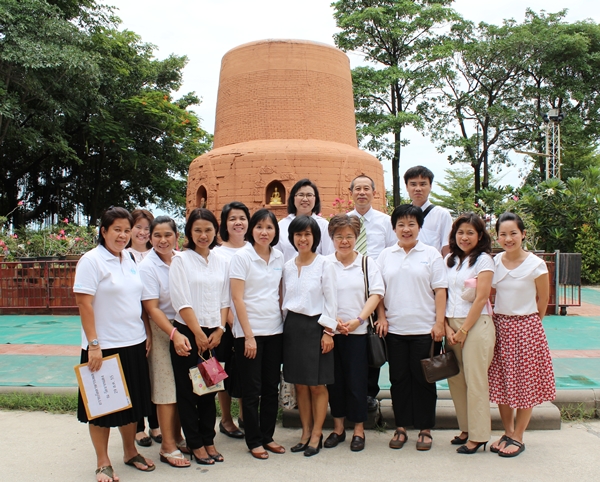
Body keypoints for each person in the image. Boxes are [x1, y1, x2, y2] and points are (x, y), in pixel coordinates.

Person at [73, 206, 154, 482]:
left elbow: (136, 300)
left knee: (131, 404)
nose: (122, 235)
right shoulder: (91, 261)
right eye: (117, 229)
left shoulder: (128, 257)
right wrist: (94, 345)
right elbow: (84, 304)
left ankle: (130, 452)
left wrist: (146, 333)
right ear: (104, 231)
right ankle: (103, 461)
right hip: (104, 346)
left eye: (126, 230)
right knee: (103, 407)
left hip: (134, 342)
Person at [377, 204, 447, 451]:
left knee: (424, 380)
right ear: (394, 228)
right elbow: (378, 291)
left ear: (419, 227)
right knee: (398, 380)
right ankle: (401, 427)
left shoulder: (431, 254)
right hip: (394, 330)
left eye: (411, 224)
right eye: (401, 225)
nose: (406, 229)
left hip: (425, 330)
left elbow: (440, 290)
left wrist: (439, 323)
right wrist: (382, 317)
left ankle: (425, 429)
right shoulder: (386, 255)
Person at [488, 212, 555, 458]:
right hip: (500, 326)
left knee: (526, 384)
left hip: (527, 328)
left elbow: (543, 300)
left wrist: (531, 326)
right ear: (497, 237)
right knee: (503, 383)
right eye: (503, 234)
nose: (508, 239)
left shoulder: (535, 264)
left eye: (513, 233)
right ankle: (507, 432)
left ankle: (518, 436)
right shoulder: (494, 262)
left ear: (523, 234)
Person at [169, 208, 229, 465]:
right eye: (198, 230)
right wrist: (197, 334)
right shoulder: (180, 261)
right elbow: (181, 301)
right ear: (189, 233)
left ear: (216, 231)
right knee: (188, 392)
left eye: (208, 230)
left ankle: (209, 439)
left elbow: (225, 299)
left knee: (209, 390)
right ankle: (195, 443)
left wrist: (220, 330)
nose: (203, 235)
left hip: (214, 335)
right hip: (188, 334)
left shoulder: (221, 261)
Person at [323, 214, 384, 452]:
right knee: (334, 382)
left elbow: (376, 293)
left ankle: (359, 429)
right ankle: (338, 428)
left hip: (358, 334)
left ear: (356, 237)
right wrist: (333, 322)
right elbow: (319, 295)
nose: (344, 241)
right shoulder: (325, 263)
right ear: (332, 238)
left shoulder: (367, 263)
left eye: (349, 236)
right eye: (339, 236)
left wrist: (359, 320)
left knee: (357, 382)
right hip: (331, 332)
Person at [230, 209, 286, 460]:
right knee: (252, 390)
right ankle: (253, 440)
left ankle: (267, 436)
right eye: (260, 227)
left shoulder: (279, 256)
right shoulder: (242, 257)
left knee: (271, 387)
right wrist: (249, 336)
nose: (264, 232)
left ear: (275, 232)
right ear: (252, 230)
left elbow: (279, 294)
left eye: (269, 227)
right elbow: (237, 299)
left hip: (275, 330)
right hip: (249, 333)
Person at [282, 215, 337, 457]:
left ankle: (317, 433)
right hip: (293, 327)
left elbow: (331, 300)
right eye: (298, 234)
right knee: (300, 385)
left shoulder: (325, 264)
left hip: (317, 327)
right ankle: (305, 432)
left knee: (317, 384)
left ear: (315, 238)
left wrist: (328, 332)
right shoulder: (287, 266)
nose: (302, 239)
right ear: (292, 237)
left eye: (307, 234)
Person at [139, 216, 191, 468]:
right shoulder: (147, 266)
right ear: (150, 238)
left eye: (168, 235)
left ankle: (178, 437)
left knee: (181, 385)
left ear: (176, 237)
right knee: (165, 388)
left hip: (184, 325)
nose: (162, 240)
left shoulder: (181, 260)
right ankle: (167, 446)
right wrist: (173, 334)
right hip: (162, 329)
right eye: (157, 235)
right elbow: (152, 308)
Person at [444, 213, 496, 454]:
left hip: (475, 324)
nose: (464, 237)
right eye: (460, 232)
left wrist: (464, 330)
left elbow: (482, 297)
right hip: (451, 325)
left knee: (475, 380)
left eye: (470, 233)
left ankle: (479, 436)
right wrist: (446, 326)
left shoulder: (484, 260)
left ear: (480, 236)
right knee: (456, 379)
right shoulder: (450, 259)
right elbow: (443, 294)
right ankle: (465, 429)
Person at [347, 174, 396, 412]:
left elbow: (391, 256)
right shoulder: (344, 221)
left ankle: (369, 393)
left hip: (376, 291)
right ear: (351, 193)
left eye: (366, 188)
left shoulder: (386, 222)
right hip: (349, 290)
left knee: (373, 342)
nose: (362, 193)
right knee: (351, 344)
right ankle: (349, 392)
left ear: (374, 193)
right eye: (357, 189)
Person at [126, 208, 161, 447]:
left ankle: (155, 424)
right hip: (134, 325)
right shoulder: (123, 256)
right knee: (137, 377)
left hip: (158, 322)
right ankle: (138, 427)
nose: (142, 232)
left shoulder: (158, 254)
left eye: (147, 228)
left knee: (155, 376)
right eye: (138, 227)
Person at [215, 201, 250, 439]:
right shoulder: (217, 253)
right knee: (222, 369)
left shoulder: (254, 249)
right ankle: (226, 419)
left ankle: (246, 416)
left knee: (245, 369)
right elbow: (219, 290)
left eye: (242, 218)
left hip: (249, 321)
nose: (238, 223)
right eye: (232, 218)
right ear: (225, 224)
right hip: (224, 322)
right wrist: (229, 318)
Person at [275, 178, 334, 262]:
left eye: (309, 195)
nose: (305, 199)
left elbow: (329, 256)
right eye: (301, 195)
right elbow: (276, 257)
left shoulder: (323, 225)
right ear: (293, 198)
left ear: (315, 199)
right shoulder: (282, 225)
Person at [404, 166, 452, 256]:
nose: (418, 189)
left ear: (430, 186)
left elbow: (446, 248)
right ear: (407, 187)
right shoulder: (402, 215)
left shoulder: (442, 215)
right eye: (413, 184)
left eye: (423, 184)